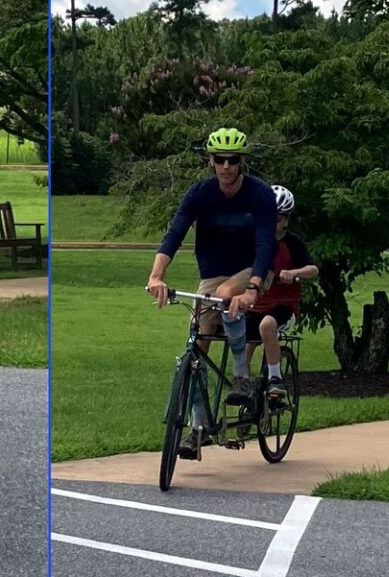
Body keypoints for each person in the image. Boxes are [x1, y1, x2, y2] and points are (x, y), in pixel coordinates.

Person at [146, 127, 277, 457]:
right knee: (197, 348)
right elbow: (175, 233)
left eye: (233, 160)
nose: (226, 167)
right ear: (211, 161)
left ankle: (242, 377)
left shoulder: (259, 195)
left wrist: (252, 288)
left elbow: (265, 244)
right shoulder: (200, 193)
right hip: (212, 273)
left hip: (254, 270)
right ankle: (198, 428)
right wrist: (156, 276)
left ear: (241, 163)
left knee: (224, 294)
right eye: (220, 160)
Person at [245, 185, 319, 396]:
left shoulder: (292, 242)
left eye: (277, 218)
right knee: (244, 337)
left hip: (283, 306)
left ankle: (275, 378)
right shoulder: (255, 239)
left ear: (286, 219)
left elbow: (313, 269)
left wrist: (293, 272)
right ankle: (243, 383)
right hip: (256, 303)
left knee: (267, 325)